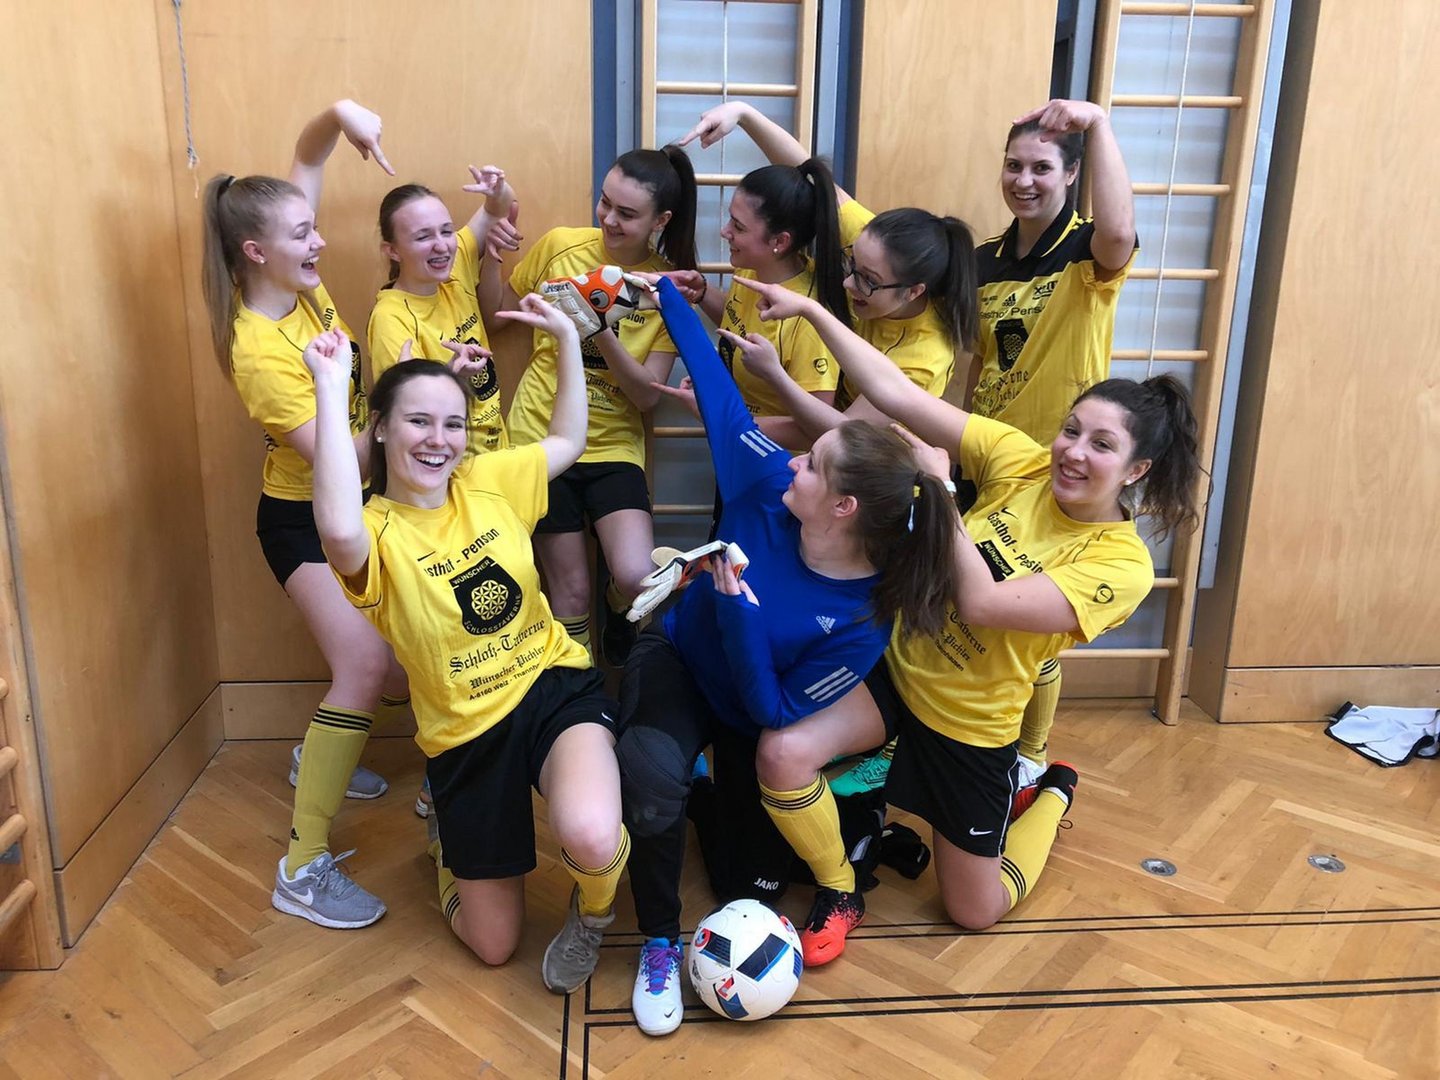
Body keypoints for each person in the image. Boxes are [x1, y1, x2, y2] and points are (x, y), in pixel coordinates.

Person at [729, 275, 1199, 935]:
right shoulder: (1023, 462)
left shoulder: (1121, 565)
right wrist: (809, 310)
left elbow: (981, 602)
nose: (1072, 452)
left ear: (1137, 470)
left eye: (1102, 445)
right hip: (895, 672)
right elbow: (896, 393)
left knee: (975, 912)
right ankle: (840, 887)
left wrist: (942, 490)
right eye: (1071, 430)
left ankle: (1051, 792)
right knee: (781, 755)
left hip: (969, 723)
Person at [619, 279, 960, 1036]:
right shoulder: (767, 481)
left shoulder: (863, 616)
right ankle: (657, 940)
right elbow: (721, 402)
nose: (795, 459)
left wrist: (739, 610)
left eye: (813, 464)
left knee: (749, 885)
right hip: (680, 660)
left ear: (843, 507)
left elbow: (772, 710)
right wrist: (668, 297)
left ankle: (723, 789)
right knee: (649, 784)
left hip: (750, 707)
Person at [303, 293, 629, 994]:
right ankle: (448, 845)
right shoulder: (375, 532)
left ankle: (594, 914)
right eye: (418, 420)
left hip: (551, 687)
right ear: (382, 428)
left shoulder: (486, 479)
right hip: (465, 735)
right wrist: (331, 389)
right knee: (493, 946)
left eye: (453, 422)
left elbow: (568, 442)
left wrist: (568, 342)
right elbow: (335, 526)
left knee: (593, 835)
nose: (439, 439)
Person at [841, 97, 1140, 796]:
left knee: (1028, 622)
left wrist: (1098, 125)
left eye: (1042, 167)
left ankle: (1028, 755)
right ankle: (910, 735)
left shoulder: (1087, 252)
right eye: (1013, 165)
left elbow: (1120, 230)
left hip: (1062, 465)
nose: (1023, 180)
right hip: (996, 454)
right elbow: (974, 363)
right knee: (957, 592)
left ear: (1072, 175)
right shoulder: (981, 262)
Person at [201, 100, 410, 930]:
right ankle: (301, 867)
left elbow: (309, 155)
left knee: (398, 665)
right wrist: (410, 414)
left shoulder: (297, 282)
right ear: (256, 251)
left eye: (313, 226)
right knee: (364, 666)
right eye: (303, 234)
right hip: (302, 521)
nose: (319, 242)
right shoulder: (257, 350)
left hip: (357, 508)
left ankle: (318, 753)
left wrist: (340, 115)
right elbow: (339, 460)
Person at [677, 101, 977, 454]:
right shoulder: (878, 247)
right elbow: (810, 175)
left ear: (913, 292)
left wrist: (724, 415)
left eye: (866, 280)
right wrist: (743, 114)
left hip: (862, 470)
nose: (847, 284)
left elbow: (843, 433)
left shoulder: (922, 359)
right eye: (852, 265)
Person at [501, 147, 698, 667]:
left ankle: (616, 602)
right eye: (605, 202)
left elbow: (646, 395)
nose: (609, 219)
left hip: (614, 447)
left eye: (626, 213)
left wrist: (597, 328)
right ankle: (584, 696)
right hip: (542, 443)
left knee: (637, 581)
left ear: (661, 221)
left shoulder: (663, 288)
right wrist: (488, 247)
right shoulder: (560, 247)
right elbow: (500, 310)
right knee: (568, 596)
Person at [663, 154, 851, 422]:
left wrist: (724, 419)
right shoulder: (752, 267)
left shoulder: (809, 324)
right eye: (730, 219)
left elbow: (818, 428)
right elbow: (745, 325)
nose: (725, 231)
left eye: (738, 227)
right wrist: (703, 292)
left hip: (774, 448)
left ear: (780, 242)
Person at [368, 165, 522, 458]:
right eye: (423, 237)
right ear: (393, 251)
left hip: (495, 457)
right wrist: (451, 376)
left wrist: (498, 191)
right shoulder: (390, 317)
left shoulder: (456, 264)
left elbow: (499, 207)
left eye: (446, 231)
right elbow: (404, 413)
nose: (441, 246)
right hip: (446, 465)